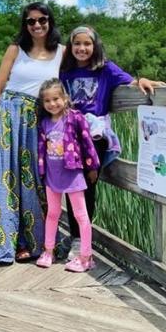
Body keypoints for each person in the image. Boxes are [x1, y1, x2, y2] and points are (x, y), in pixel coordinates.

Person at [0, 2, 65, 263]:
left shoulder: (62, 52)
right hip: (7, 116)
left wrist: (133, 80)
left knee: (33, 181)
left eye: (42, 20)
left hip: (37, 121)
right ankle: (1, 245)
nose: (37, 25)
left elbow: (96, 64)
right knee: (5, 179)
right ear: (25, 24)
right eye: (31, 21)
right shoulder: (15, 50)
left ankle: (33, 242)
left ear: (50, 22)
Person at [59, 25, 165, 229]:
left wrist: (141, 80)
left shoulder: (105, 68)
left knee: (86, 184)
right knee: (73, 185)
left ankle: (82, 239)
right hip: (71, 132)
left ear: (95, 45)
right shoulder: (66, 71)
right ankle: (76, 237)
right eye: (77, 43)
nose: (82, 48)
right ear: (71, 46)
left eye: (87, 43)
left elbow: (130, 80)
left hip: (95, 133)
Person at [34, 78, 99, 272]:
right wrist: (42, 171)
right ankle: (48, 251)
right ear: (43, 103)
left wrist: (92, 166)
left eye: (56, 99)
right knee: (53, 213)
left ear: (64, 98)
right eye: (47, 101)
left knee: (81, 215)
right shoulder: (44, 123)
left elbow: (88, 143)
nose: (52, 104)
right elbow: (41, 149)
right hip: (52, 177)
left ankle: (86, 257)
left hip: (73, 174)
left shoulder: (75, 118)